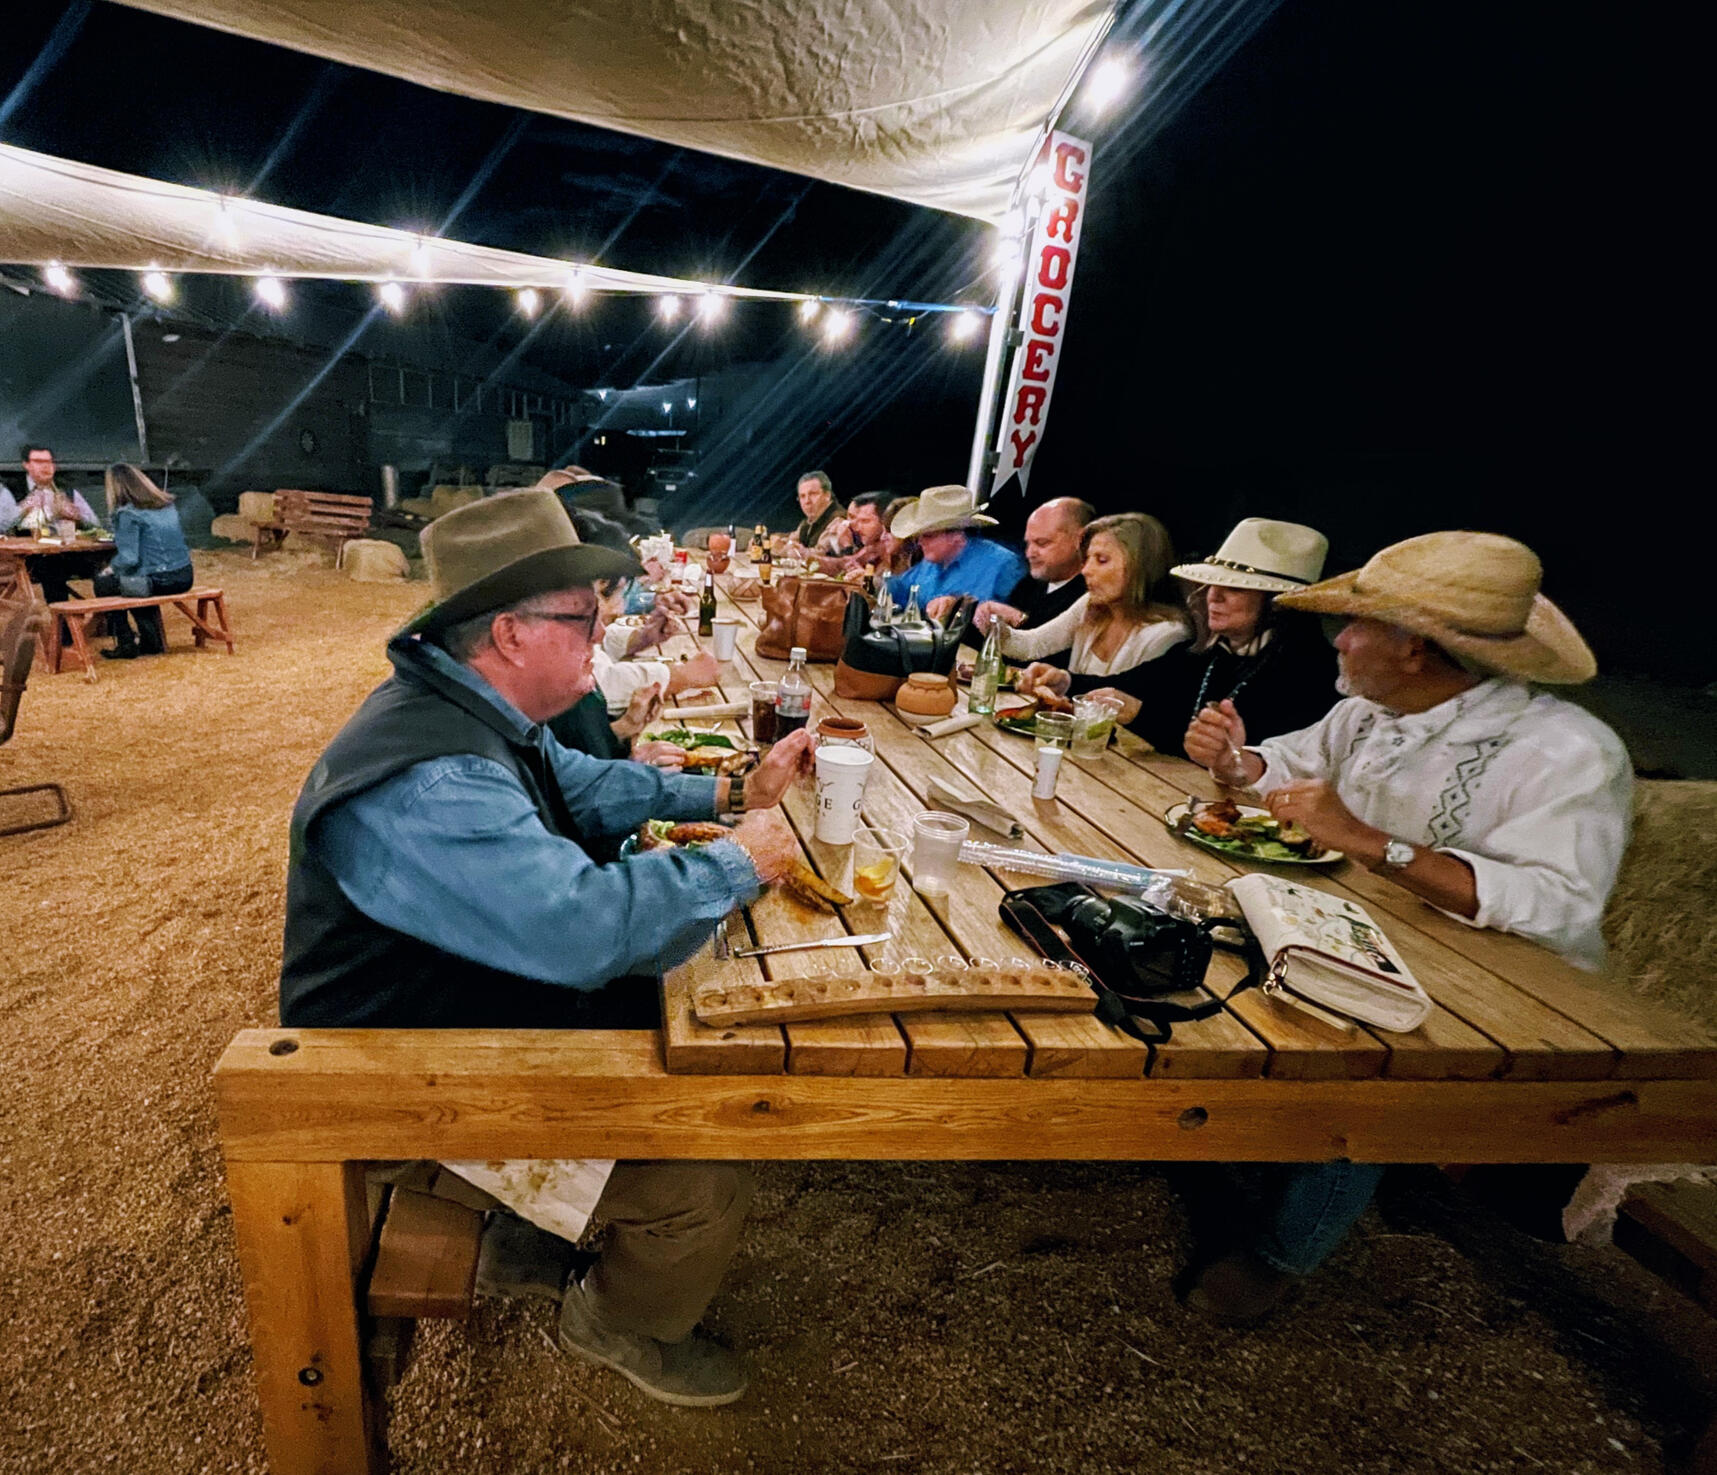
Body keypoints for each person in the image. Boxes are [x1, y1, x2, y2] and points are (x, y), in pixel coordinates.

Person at [280, 488, 816, 1406]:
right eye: (582, 613)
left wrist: (730, 791)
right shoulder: (435, 779)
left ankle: (527, 1233)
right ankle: (612, 1322)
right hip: (398, 1076)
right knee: (706, 1176)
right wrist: (738, 863)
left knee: (686, 1014)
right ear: (512, 634)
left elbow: (586, 782)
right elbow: (587, 929)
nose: (604, 624)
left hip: (447, 1016)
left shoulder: (469, 710)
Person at [1179, 530, 1632, 1324]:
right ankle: (1231, 1128)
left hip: (1519, 989)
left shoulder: (1567, 751)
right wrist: (1240, 765)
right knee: (1204, 926)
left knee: (1370, 1059)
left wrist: (1366, 840)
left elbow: (1557, 904)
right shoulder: (1367, 710)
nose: (1341, 639)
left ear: (1414, 648)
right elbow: (1290, 764)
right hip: (1375, 933)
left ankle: (1282, 1251)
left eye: (1353, 625)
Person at [1119, 517, 1338, 752]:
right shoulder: (1207, 655)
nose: (1213, 596)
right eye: (1212, 583)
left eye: (1234, 587)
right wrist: (1074, 682)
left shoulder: (1312, 673)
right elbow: (1129, 684)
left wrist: (1141, 717)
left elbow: (1252, 753)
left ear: (1278, 604)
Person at [982, 513, 1189, 707]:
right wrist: (993, 626)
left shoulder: (1168, 634)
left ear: (1141, 566)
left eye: (1102, 560)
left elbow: (1121, 696)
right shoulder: (1091, 604)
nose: (1086, 570)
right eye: (1087, 559)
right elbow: (1032, 645)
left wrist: (1065, 682)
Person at [92, 465, 194, 660]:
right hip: (184, 575)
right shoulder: (166, 506)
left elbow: (129, 558)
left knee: (105, 584)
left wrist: (109, 569)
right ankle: (150, 639)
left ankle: (125, 642)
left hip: (159, 579)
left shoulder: (128, 514)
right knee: (133, 583)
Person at [885, 484, 1026, 614]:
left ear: (956, 535)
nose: (920, 542)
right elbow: (900, 592)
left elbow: (1018, 619)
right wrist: (875, 584)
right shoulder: (927, 566)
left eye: (928, 536)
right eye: (919, 536)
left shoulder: (1003, 564)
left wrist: (959, 606)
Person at [972, 496, 1093, 633]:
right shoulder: (1030, 584)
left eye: (1042, 543)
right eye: (1028, 543)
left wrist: (1018, 619)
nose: (1030, 553)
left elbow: (1056, 647)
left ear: (1080, 540)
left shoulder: (1095, 597)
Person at [7, 445, 101, 603]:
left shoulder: (67, 490)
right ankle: (64, 625)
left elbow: (95, 525)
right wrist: (23, 508)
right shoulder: (12, 490)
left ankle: (110, 623)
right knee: (51, 567)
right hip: (29, 558)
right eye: (38, 461)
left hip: (71, 552)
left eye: (49, 462)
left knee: (107, 569)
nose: (45, 466)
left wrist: (77, 517)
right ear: (26, 465)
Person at [789, 469, 844, 550]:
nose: (807, 501)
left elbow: (820, 554)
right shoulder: (808, 522)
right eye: (802, 496)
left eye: (813, 494)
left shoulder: (839, 520)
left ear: (827, 495)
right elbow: (790, 542)